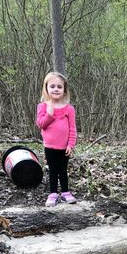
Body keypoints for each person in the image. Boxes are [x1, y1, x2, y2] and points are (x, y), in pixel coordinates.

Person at [36, 71, 77, 207]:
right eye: (52, 86)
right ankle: (53, 193)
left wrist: (71, 144)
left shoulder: (69, 109)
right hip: (50, 146)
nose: (56, 89)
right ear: (46, 88)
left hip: (64, 146)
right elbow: (41, 124)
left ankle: (65, 192)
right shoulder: (43, 107)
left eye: (59, 87)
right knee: (53, 170)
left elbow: (72, 128)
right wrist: (49, 114)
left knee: (63, 170)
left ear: (64, 90)